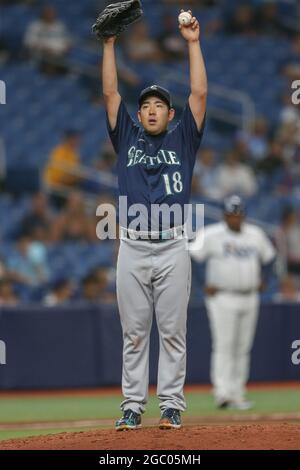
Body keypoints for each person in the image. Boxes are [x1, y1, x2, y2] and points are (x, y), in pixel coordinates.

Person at [102, 9, 207, 430]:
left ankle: (171, 406)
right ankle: (131, 406)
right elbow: (111, 95)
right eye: (145, 104)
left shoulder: (184, 138)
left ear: (169, 114)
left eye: (159, 105)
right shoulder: (126, 135)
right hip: (131, 243)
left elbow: (197, 94)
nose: (150, 110)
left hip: (172, 245)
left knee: (172, 331)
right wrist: (108, 45)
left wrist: (193, 43)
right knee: (133, 333)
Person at [189, 195, 276, 410]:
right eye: (231, 215)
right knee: (224, 345)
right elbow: (191, 256)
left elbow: (270, 258)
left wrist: (265, 279)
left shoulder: (255, 234)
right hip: (222, 296)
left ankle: (237, 393)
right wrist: (202, 284)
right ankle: (222, 393)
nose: (235, 219)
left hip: (249, 295)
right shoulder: (211, 234)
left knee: (242, 347)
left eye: (238, 215)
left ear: (243, 215)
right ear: (224, 215)